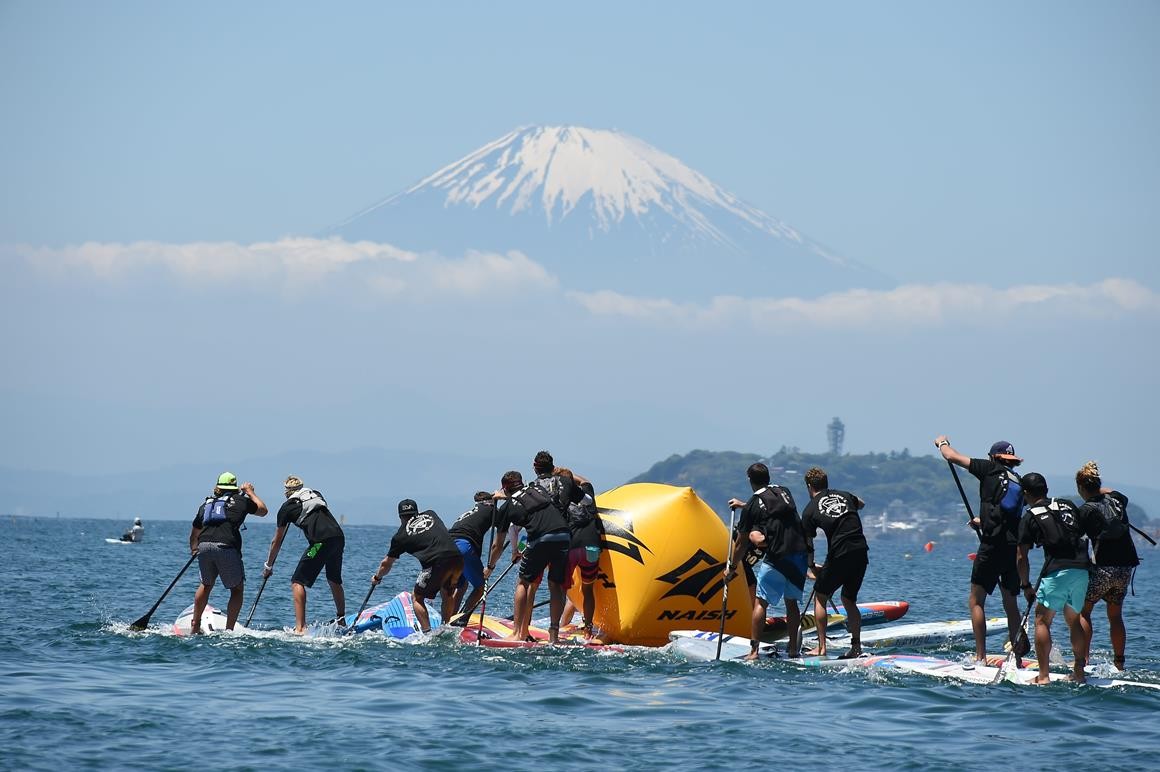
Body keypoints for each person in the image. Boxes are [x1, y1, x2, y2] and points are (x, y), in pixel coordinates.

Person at [934, 435, 1027, 663]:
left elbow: (951, 456)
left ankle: (980, 657)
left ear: (993, 457)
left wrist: (942, 443)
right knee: (1010, 604)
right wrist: (982, 521)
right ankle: (1017, 657)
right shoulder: (1018, 481)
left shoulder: (989, 468)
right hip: (1012, 548)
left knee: (976, 601)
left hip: (991, 546)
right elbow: (1007, 515)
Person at [1016, 472, 1102, 684]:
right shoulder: (1067, 504)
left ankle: (1043, 676)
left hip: (1057, 572)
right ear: (1045, 490)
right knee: (1074, 620)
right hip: (1082, 570)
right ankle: (1079, 673)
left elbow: (1021, 557)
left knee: (1042, 620)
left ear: (1025, 493)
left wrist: (1026, 586)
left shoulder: (1029, 516)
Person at [726, 462, 808, 661]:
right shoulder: (784, 492)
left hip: (776, 556)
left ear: (749, 480)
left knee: (761, 603)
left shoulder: (753, 504)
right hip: (799, 555)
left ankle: (754, 652)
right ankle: (793, 650)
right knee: (791, 604)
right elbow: (774, 510)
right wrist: (745, 505)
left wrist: (732, 567)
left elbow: (741, 543)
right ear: (768, 477)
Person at [493, 468, 571, 644]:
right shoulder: (538, 489)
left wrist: (490, 567)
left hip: (540, 539)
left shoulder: (507, 507)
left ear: (505, 488)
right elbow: (529, 501)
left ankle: (518, 633)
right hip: (564, 535)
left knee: (523, 583)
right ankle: (554, 635)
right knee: (556, 585)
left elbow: (498, 544)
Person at [1075, 461, 1140, 671]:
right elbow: (1113, 492)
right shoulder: (1117, 500)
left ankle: (1083, 661)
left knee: (1084, 612)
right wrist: (1099, 489)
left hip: (1103, 567)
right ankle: (1119, 664)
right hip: (1125, 568)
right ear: (1098, 484)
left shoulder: (1086, 510)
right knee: (1115, 615)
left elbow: (1075, 537)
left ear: (1081, 487)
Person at [262, 476, 346, 634]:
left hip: (319, 543)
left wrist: (268, 566)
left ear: (287, 492)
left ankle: (300, 628)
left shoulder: (286, 508)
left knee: (297, 582)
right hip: (338, 538)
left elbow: (276, 542)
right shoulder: (316, 494)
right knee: (334, 579)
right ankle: (341, 620)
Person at [800, 466, 869, 658]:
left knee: (820, 596)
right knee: (848, 599)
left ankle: (822, 648)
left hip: (840, 552)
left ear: (809, 486)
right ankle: (856, 647)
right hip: (861, 550)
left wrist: (811, 567)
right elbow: (862, 504)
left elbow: (808, 544)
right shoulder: (844, 495)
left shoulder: (809, 510)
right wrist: (848, 501)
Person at [187, 472, 268, 633]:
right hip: (226, 547)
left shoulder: (206, 504)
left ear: (218, 487)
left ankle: (195, 626)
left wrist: (194, 549)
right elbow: (263, 510)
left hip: (204, 546)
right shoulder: (241, 501)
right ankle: (229, 630)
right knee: (236, 589)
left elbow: (195, 532)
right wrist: (250, 492)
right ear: (234, 487)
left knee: (206, 585)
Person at [371, 499, 463, 633]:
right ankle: (446, 628)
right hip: (457, 558)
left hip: (436, 562)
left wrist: (377, 577)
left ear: (400, 517)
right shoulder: (431, 514)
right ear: (417, 512)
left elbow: (386, 563)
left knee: (417, 598)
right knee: (447, 592)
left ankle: (427, 633)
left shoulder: (400, 536)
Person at [559, 474, 602, 639]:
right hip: (592, 547)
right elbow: (586, 481)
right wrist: (565, 474)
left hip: (571, 548)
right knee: (588, 589)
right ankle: (588, 631)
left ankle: (555, 629)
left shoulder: (561, 500)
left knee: (560, 589)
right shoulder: (588, 495)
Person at [447, 491, 502, 619]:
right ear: (491, 502)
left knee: (461, 585)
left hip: (447, 546)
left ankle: (449, 619)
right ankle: (461, 620)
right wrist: (520, 547)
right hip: (463, 546)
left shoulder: (470, 512)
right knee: (480, 587)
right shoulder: (492, 509)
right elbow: (511, 528)